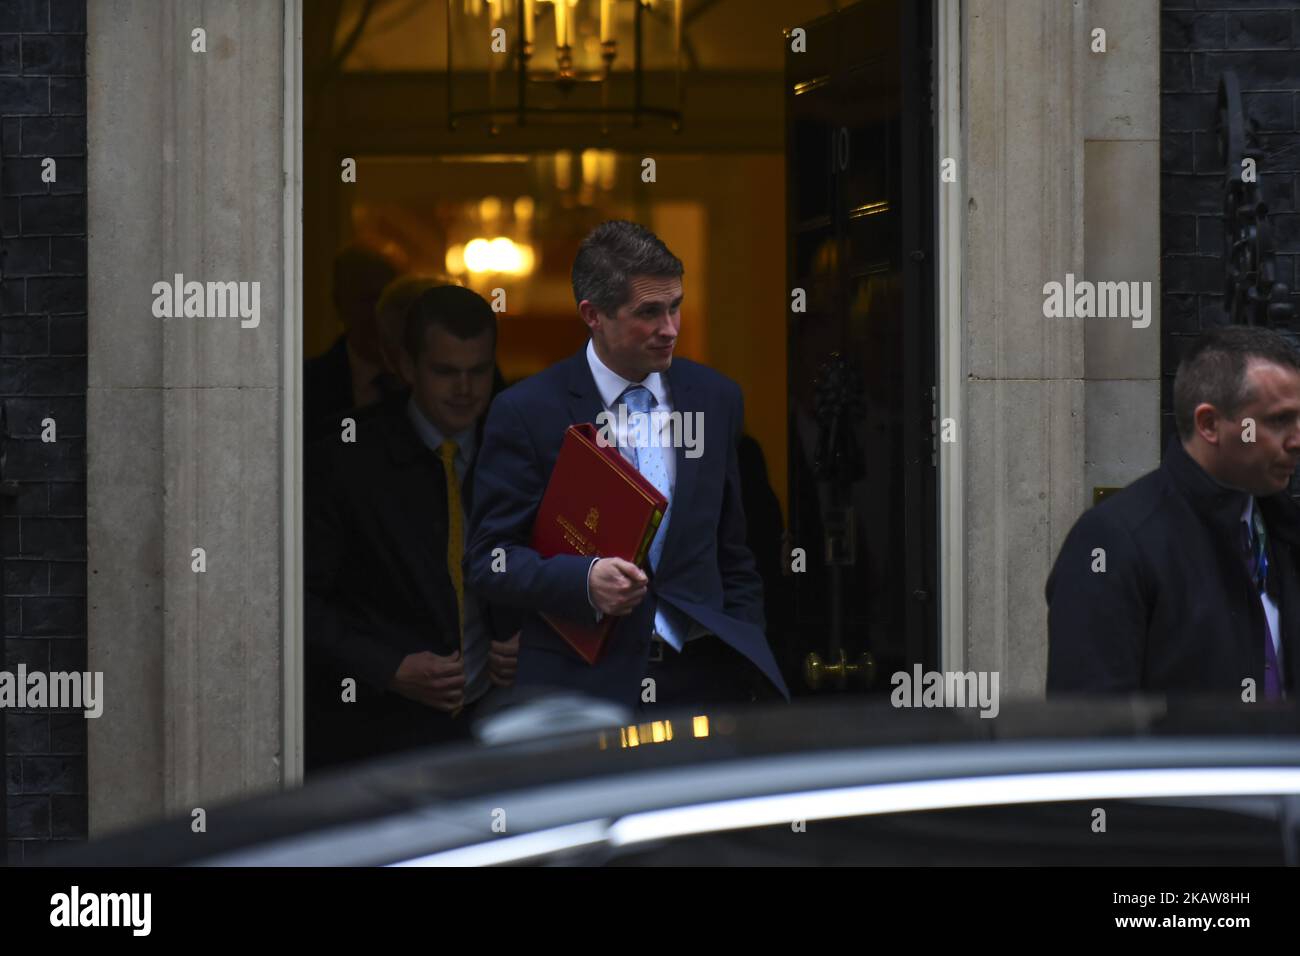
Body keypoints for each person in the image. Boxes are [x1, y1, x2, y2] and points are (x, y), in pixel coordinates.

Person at [464, 219, 788, 712]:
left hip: (703, 681)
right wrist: (583, 581)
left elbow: (733, 552)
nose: (671, 328)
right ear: (593, 315)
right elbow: (490, 560)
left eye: (675, 306)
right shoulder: (527, 411)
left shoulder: (716, 399)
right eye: (649, 312)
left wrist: (744, 644)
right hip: (581, 687)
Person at [304, 284, 518, 771]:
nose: (464, 389)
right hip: (378, 740)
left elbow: (572, 568)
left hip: (502, 737)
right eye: (445, 371)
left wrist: (538, 642)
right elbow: (300, 603)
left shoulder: (522, 453)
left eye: (478, 371)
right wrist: (389, 668)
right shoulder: (346, 461)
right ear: (405, 366)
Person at [1046, 325, 1300, 699]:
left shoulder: (1284, 531)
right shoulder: (1114, 540)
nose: (1296, 439)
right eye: (1278, 421)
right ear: (1210, 424)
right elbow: (1089, 727)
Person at [304, 244, 401, 443]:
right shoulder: (307, 386)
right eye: (367, 299)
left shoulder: (422, 381)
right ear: (339, 304)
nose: (377, 312)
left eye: (385, 298)